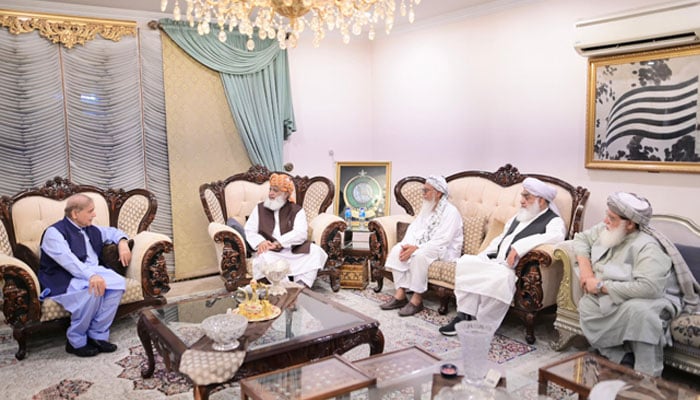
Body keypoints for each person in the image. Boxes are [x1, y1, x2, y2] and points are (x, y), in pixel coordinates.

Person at [575, 192, 699, 377]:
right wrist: (587, 273)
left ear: (630, 224)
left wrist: (600, 286)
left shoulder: (648, 247)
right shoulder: (609, 228)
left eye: (611, 218)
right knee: (588, 305)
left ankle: (648, 376)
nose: (605, 221)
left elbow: (650, 288)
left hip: (655, 296)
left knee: (641, 314)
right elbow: (581, 239)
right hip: (619, 290)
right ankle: (623, 359)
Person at [439, 177, 567, 335]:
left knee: (499, 279)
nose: (521, 201)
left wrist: (518, 248)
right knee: (467, 263)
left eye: (527, 197)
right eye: (522, 196)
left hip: (513, 269)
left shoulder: (554, 222)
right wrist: (484, 255)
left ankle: (482, 325)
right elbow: (501, 238)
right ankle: (464, 315)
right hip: (496, 261)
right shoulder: (519, 216)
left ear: (541, 201)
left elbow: (555, 238)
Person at [39, 193, 130, 357]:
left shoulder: (90, 229)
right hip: (64, 276)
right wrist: (91, 276)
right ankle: (75, 340)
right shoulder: (54, 233)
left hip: (90, 271)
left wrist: (123, 243)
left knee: (118, 284)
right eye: (90, 211)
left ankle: (97, 334)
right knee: (93, 291)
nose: (94, 214)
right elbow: (69, 262)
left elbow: (113, 232)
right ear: (75, 213)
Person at [379, 175, 463, 317]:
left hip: (444, 249)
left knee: (419, 256)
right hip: (425, 246)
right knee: (397, 250)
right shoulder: (427, 209)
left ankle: (417, 300)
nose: (423, 194)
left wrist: (416, 249)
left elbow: (443, 239)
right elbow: (414, 230)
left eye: (426, 191)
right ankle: (400, 295)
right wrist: (407, 245)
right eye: (423, 190)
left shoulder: (451, 212)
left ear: (438, 193)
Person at [245, 173, 328, 288]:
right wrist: (261, 242)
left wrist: (279, 243)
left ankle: (301, 286)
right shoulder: (259, 208)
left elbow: (301, 233)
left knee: (316, 251)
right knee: (264, 259)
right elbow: (249, 230)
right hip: (270, 252)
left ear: (286, 194)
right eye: (270, 189)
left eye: (275, 191)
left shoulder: (297, 210)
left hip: (292, 249)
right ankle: (283, 287)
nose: (270, 194)